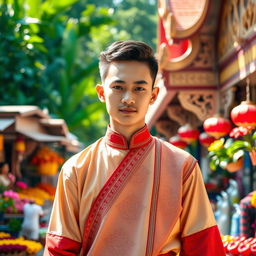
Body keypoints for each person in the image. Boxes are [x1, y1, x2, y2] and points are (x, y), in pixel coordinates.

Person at [44, 40, 225, 255]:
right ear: (101, 93)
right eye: (118, 88)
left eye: (139, 88)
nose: (128, 99)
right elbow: (60, 248)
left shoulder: (182, 166)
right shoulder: (75, 169)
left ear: (153, 95)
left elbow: (203, 244)